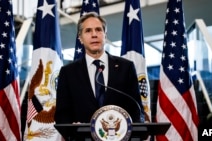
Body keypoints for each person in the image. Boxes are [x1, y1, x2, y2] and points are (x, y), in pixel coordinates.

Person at [54, 12, 144, 140]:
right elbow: (62, 114)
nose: (94, 34)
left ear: (105, 35)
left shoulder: (126, 67)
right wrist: (72, 127)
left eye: (98, 30)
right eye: (88, 31)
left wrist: (137, 129)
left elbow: (136, 108)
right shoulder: (68, 72)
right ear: (80, 38)